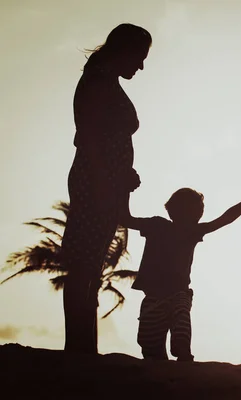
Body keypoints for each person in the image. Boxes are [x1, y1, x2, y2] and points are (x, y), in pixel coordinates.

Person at [60, 23, 152, 354]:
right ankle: (79, 348)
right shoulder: (98, 82)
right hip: (94, 182)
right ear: (123, 51)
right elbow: (89, 138)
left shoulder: (103, 80)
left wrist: (123, 175)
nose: (141, 65)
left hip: (104, 182)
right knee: (84, 265)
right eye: (140, 57)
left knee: (90, 265)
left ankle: (84, 346)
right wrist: (104, 181)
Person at [121, 187, 241, 361]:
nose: (201, 212)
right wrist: (125, 187)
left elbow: (226, 218)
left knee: (180, 332)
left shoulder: (180, 229)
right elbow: (225, 218)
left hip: (178, 295)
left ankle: (183, 359)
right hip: (155, 298)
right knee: (151, 347)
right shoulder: (161, 226)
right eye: (198, 208)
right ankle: (175, 364)